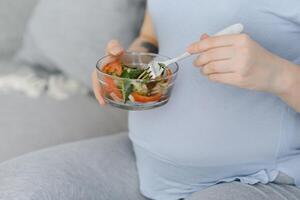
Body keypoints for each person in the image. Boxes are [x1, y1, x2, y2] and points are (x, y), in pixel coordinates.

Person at [92, 1, 300, 199]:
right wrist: (125, 69)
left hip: (254, 178)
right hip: (146, 166)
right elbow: (150, 36)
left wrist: (278, 75)